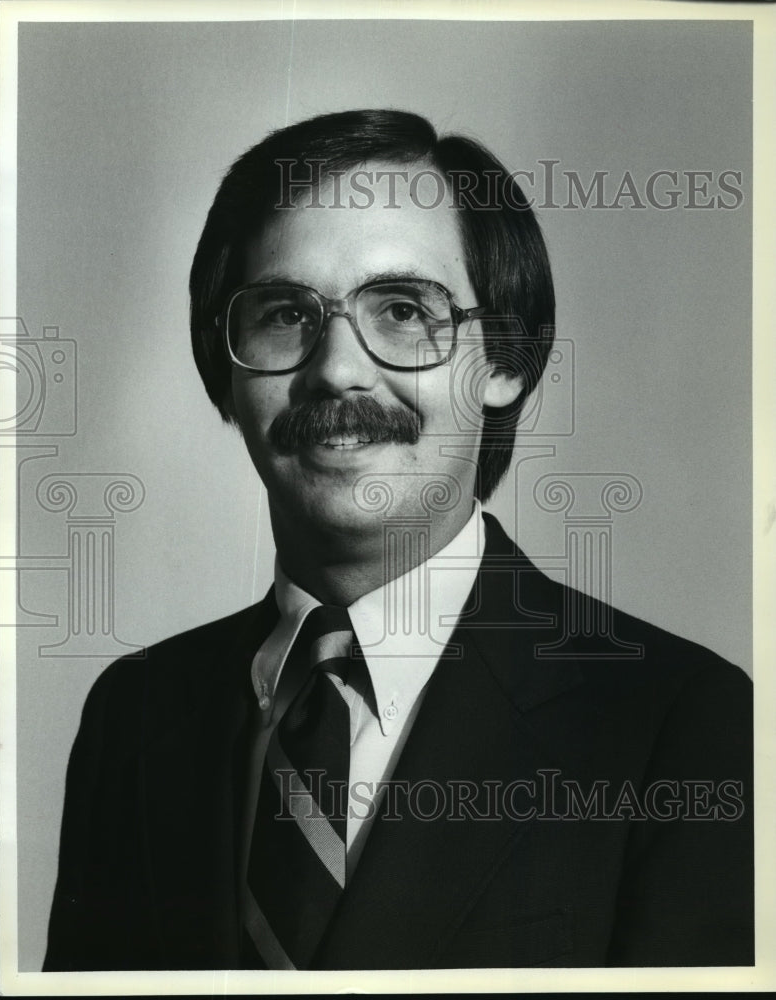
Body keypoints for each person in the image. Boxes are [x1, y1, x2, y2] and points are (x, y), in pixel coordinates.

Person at [44, 109, 753, 971]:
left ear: (504, 362)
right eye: (282, 313)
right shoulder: (136, 713)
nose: (337, 369)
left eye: (403, 310)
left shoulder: (686, 726)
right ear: (223, 370)